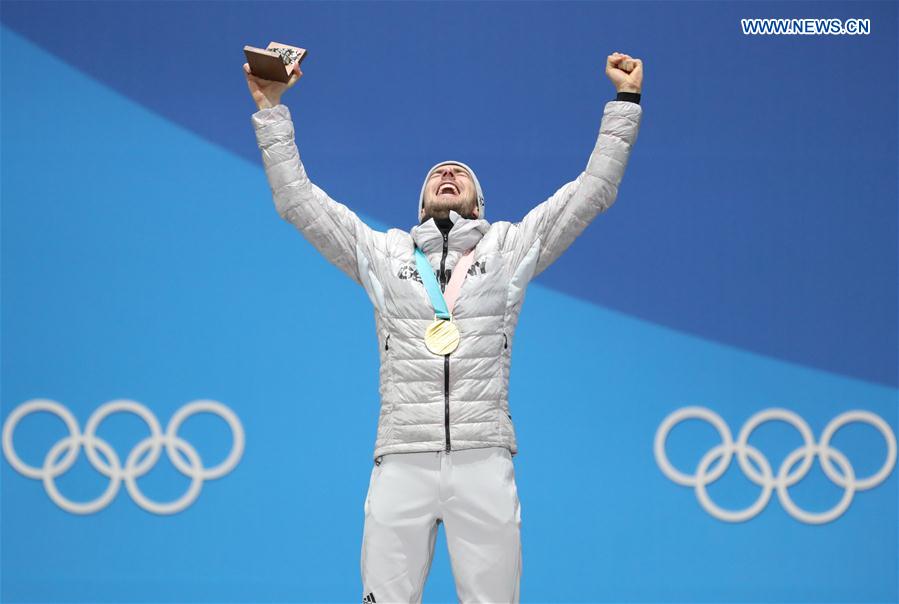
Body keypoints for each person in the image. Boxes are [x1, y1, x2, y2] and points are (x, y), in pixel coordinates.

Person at [244, 51, 643, 604]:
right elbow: (298, 201)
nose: (447, 174)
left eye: (459, 174)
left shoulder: (509, 247)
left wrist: (624, 103)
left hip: (483, 455)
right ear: (421, 201)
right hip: (402, 455)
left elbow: (589, 193)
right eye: (437, 174)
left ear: (479, 201)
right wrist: (270, 109)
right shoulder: (384, 252)